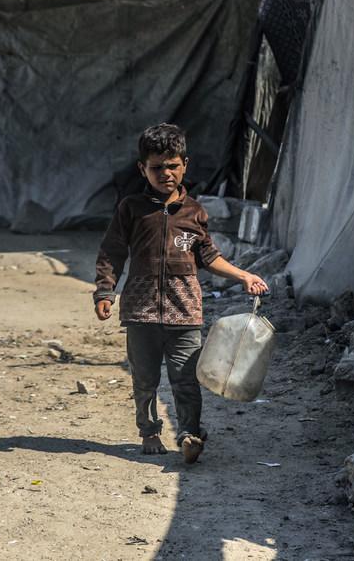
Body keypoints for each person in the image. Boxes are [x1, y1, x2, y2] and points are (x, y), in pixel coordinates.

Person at [93, 123, 269, 464]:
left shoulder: (194, 213)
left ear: (184, 164)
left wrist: (243, 275)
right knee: (144, 380)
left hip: (185, 312)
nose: (166, 173)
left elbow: (209, 257)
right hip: (141, 313)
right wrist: (105, 291)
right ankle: (149, 431)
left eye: (172, 165)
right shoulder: (131, 209)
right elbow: (111, 252)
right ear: (142, 169)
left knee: (186, 379)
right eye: (157, 167)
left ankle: (190, 433)